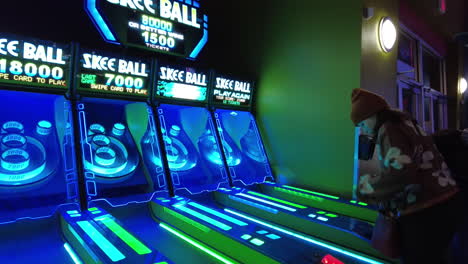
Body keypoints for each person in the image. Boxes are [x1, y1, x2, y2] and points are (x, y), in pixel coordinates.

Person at [350, 88, 464, 264]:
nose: (364, 130)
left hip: (426, 210)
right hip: (446, 201)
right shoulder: (407, 123)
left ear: (371, 115)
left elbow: (401, 173)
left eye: (362, 124)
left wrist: (365, 188)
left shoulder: (388, 129)